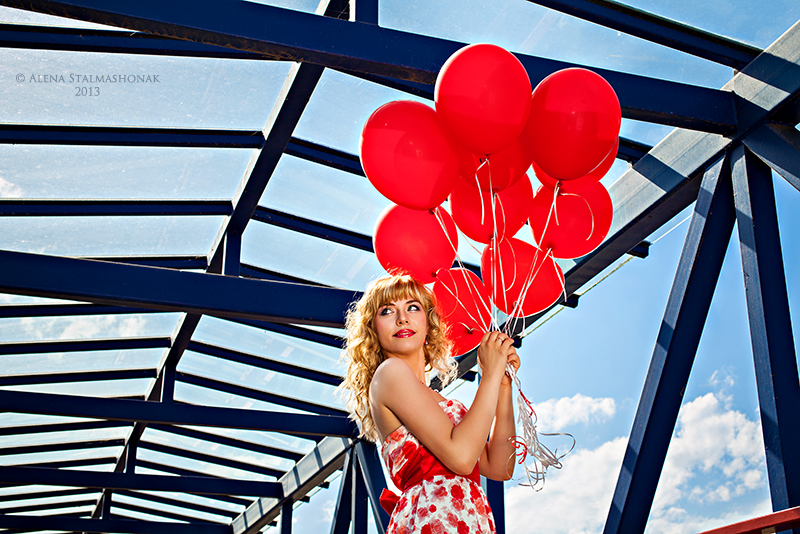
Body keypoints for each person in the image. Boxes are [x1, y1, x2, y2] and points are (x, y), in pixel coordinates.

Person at [341, 274, 520, 534]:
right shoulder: (390, 373)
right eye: (387, 311)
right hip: (433, 517)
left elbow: (500, 466)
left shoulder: (438, 400)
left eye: (413, 307)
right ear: (374, 331)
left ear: (428, 325)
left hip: (467, 518)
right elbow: (461, 457)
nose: (402, 318)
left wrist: (502, 386)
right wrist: (489, 375)